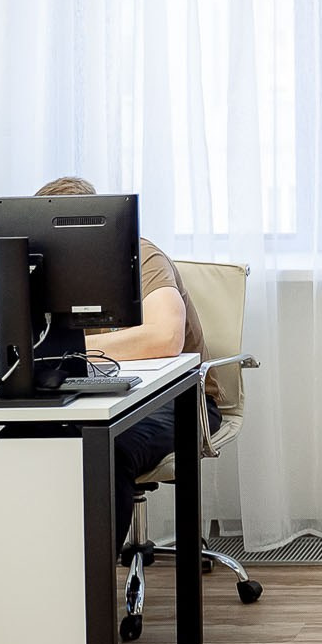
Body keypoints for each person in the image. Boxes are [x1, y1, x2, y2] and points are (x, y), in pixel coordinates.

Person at [34, 177, 222, 552]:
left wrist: (71, 350)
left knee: (107, 448)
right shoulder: (40, 271)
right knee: (17, 442)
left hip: (178, 400)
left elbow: (165, 337)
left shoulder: (140, 256)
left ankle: (92, 580)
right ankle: (34, 567)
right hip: (88, 398)